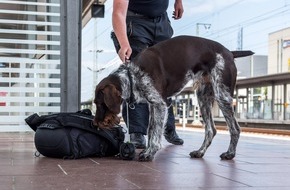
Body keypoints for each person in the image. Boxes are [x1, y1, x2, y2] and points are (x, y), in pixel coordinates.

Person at [111, 0, 184, 148]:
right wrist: (124, 43)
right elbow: (118, 12)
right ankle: (137, 132)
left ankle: (168, 128)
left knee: (164, 77)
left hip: (161, 21)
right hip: (136, 23)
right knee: (138, 76)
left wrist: (178, 2)